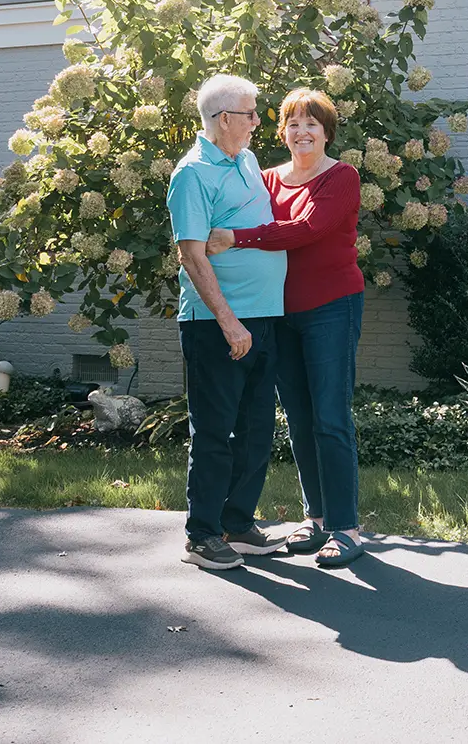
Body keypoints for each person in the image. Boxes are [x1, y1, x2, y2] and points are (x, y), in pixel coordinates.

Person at [207, 87, 368, 568]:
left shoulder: (341, 177)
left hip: (331, 308)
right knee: (297, 418)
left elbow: (306, 230)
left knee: (331, 418)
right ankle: (315, 519)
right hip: (280, 312)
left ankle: (346, 528)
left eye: (312, 124)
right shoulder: (268, 178)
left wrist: (237, 238)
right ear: (282, 131)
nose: (302, 132)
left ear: (327, 132)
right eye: (293, 123)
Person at [169, 73, 288, 572]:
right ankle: (202, 535)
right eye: (251, 114)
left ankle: (237, 523)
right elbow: (192, 256)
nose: (259, 122)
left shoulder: (246, 160)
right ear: (223, 120)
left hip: (264, 317)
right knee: (215, 431)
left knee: (257, 428)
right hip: (218, 324)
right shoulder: (192, 174)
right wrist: (229, 322)